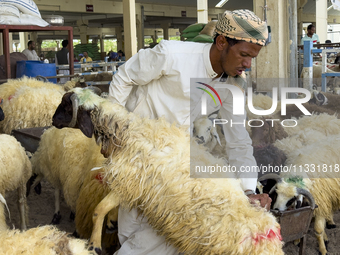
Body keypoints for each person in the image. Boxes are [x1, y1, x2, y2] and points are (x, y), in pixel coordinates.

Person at [109, 9, 271, 255]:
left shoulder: (234, 83)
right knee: (132, 229)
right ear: (221, 42)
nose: (247, 64)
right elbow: (124, 77)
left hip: (174, 161)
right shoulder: (172, 55)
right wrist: (112, 132)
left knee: (163, 235)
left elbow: (238, 140)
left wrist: (248, 189)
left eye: (252, 58)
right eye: (244, 55)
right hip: (136, 152)